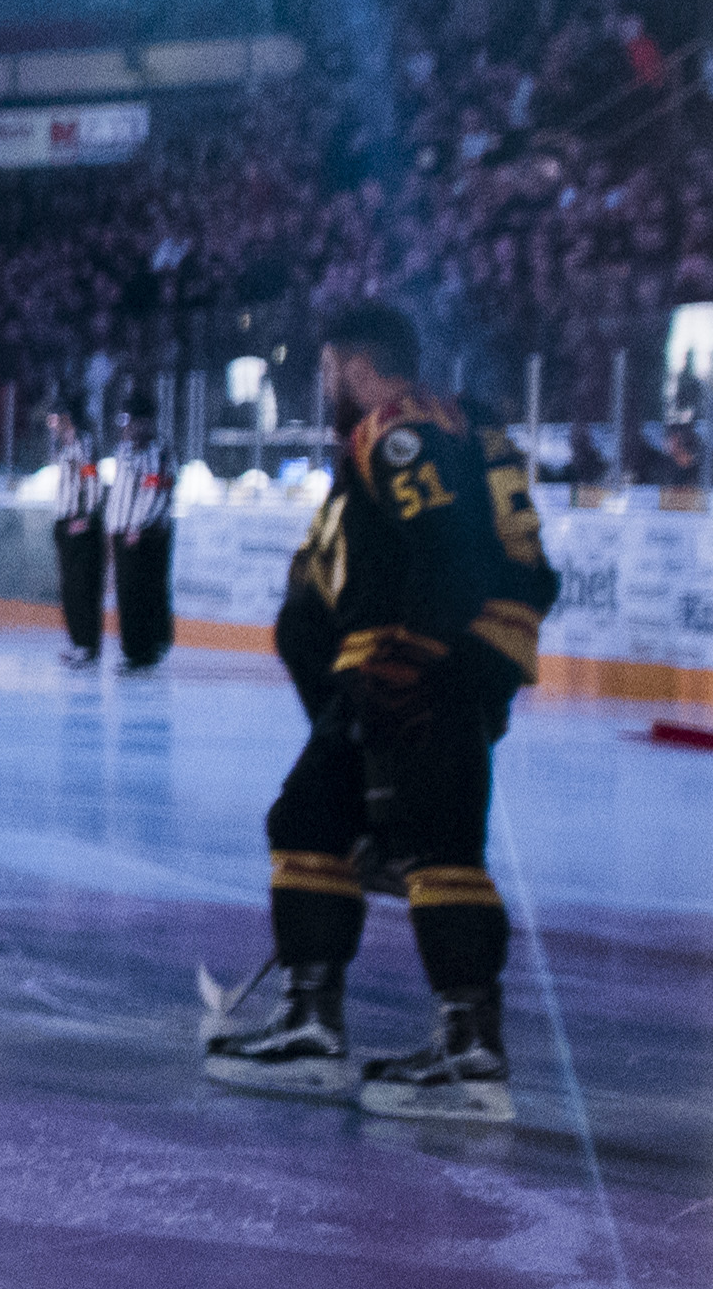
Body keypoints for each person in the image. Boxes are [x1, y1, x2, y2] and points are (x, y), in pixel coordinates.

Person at [199, 299, 558, 1117]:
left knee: (437, 843)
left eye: (328, 371)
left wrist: (417, 659)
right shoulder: (451, 425)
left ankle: (467, 1054)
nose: (324, 386)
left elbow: (449, 551)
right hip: (414, 663)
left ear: (355, 367)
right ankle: (313, 1025)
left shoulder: (399, 427)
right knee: (313, 820)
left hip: (412, 660)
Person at [102, 394, 178, 671]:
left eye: (131, 422)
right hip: (124, 533)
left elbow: (155, 493)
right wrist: (113, 527)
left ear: (145, 423)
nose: (127, 428)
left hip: (146, 536)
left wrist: (137, 526)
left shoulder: (157, 453)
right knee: (127, 594)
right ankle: (133, 649)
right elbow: (118, 494)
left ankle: (145, 650)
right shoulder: (123, 453)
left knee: (144, 593)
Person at [40, 410, 109, 666]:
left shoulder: (83, 443)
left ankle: (87, 644)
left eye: (55, 419)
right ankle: (77, 640)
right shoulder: (63, 445)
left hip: (79, 523)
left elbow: (91, 478)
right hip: (64, 521)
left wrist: (86, 515)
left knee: (83, 586)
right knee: (69, 587)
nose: (52, 425)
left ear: (68, 417)